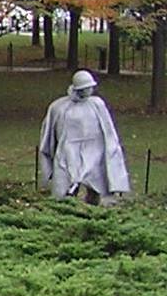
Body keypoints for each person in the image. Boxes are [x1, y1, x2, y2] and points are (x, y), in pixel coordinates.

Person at [38, 70, 129, 205]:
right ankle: (66, 206)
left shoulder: (97, 104)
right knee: (66, 185)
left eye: (91, 87)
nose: (90, 90)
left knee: (97, 184)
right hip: (69, 151)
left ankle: (95, 206)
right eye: (86, 88)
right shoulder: (60, 107)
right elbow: (50, 134)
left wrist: (111, 150)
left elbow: (108, 130)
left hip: (95, 150)